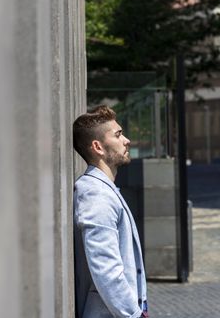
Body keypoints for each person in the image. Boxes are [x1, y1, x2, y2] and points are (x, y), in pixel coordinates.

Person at [73, 105, 148, 318]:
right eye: (118, 135)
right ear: (98, 147)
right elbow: (106, 268)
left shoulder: (103, 190)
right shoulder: (96, 195)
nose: (127, 140)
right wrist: (133, 315)